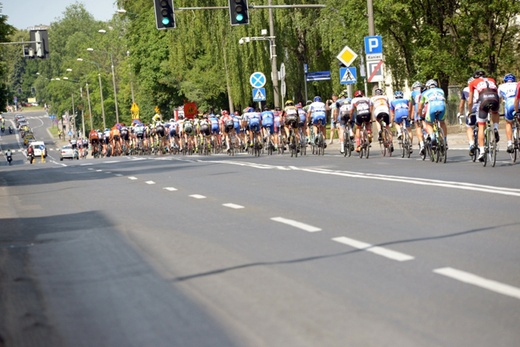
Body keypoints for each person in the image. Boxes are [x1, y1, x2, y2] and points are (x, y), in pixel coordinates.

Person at [467, 70, 500, 162]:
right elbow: (497, 93)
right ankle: (496, 128)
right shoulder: (491, 79)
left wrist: (470, 112)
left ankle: (481, 151)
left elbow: (470, 101)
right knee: (495, 112)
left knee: (481, 126)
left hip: (483, 99)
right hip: (495, 98)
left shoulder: (473, 82)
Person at [418, 79, 448, 150]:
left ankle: (432, 137)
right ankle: (445, 140)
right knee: (442, 123)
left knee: (429, 124)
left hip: (431, 107)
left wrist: (420, 116)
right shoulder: (441, 90)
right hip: (442, 106)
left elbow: (420, 107)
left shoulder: (424, 93)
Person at [458, 77, 479, 156]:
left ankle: (471, 144)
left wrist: (460, 113)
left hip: (472, 109)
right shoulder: (480, 88)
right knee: (482, 125)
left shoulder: (465, 90)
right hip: (481, 108)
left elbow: (462, 104)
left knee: (469, 127)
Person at [498, 73, 517, 153]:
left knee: (508, 123)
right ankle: (517, 134)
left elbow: (499, 99)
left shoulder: (501, 86)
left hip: (509, 103)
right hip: (518, 103)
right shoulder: (518, 84)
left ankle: (509, 143)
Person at [371, 88, 393, 152]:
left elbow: (372, 108)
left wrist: (371, 117)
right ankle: (391, 143)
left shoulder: (373, 98)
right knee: (388, 127)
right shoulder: (386, 97)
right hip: (385, 110)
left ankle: (380, 130)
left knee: (377, 120)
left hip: (378, 111)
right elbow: (389, 106)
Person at [409, 81, 425, 154]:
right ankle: (428, 135)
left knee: (418, 127)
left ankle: (422, 145)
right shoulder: (425, 91)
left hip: (417, 110)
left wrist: (411, 117)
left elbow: (411, 108)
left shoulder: (412, 94)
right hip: (426, 109)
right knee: (427, 124)